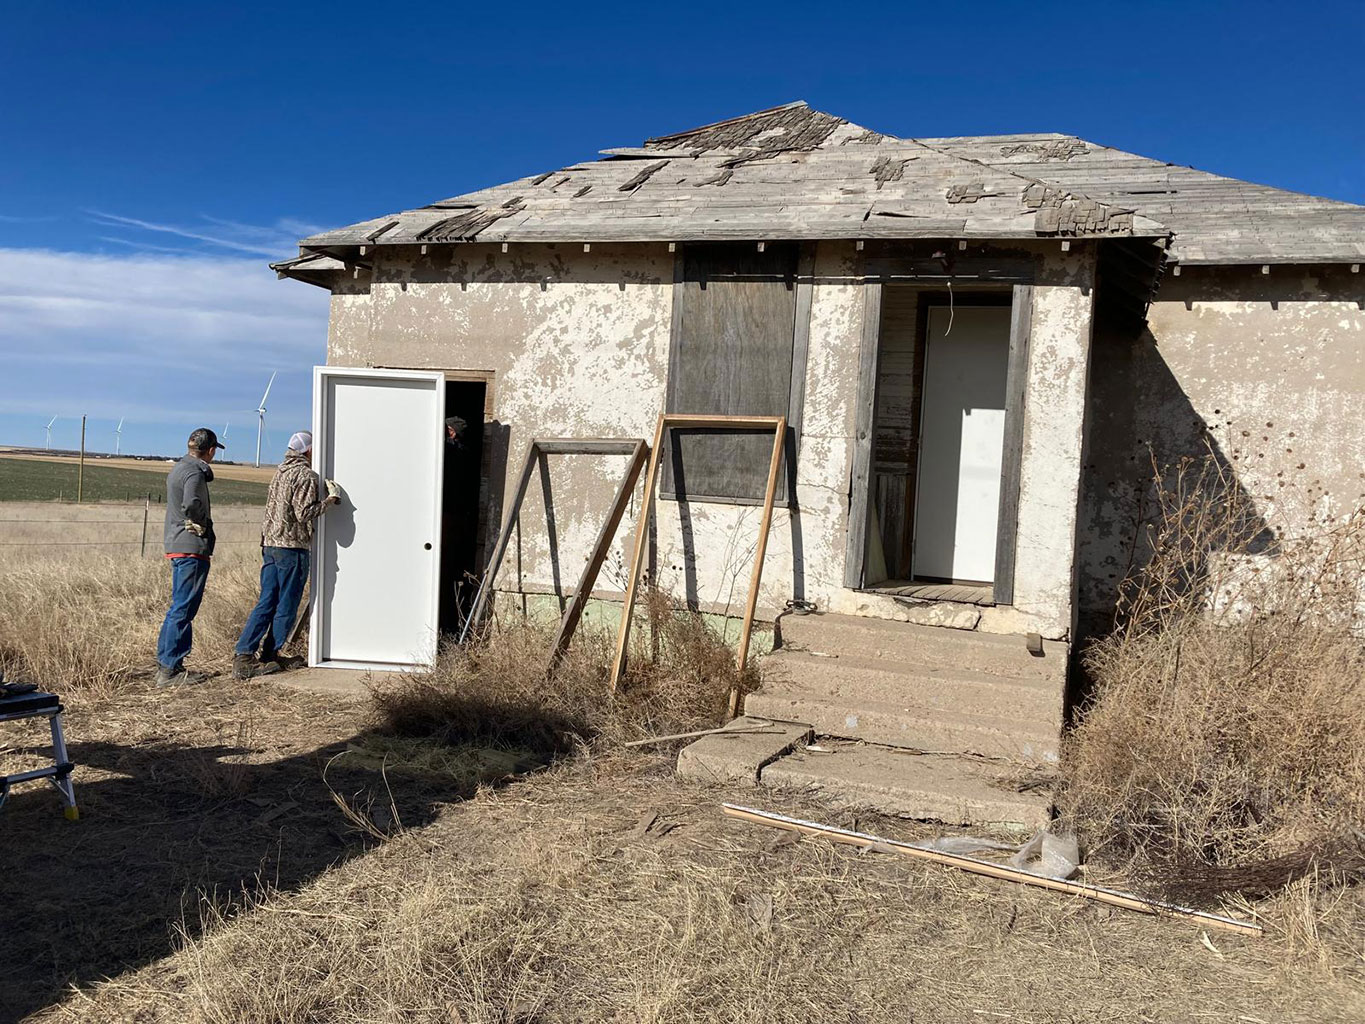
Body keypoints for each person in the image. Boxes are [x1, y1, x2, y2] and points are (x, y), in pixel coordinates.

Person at [233, 431, 339, 679]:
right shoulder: (306, 475)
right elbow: (304, 513)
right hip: (291, 547)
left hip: (270, 545)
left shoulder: (280, 471)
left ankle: (244, 655)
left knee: (267, 600)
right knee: (287, 604)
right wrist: (331, 500)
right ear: (309, 451)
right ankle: (270, 654)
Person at [155, 427, 224, 687]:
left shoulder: (179, 468)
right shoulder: (195, 473)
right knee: (184, 608)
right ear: (211, 450)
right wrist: (202, 523)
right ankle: (171, 669)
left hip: (177, 544)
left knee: (178, 607)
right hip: (191, 545)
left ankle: (166, 663)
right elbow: (192, 504)